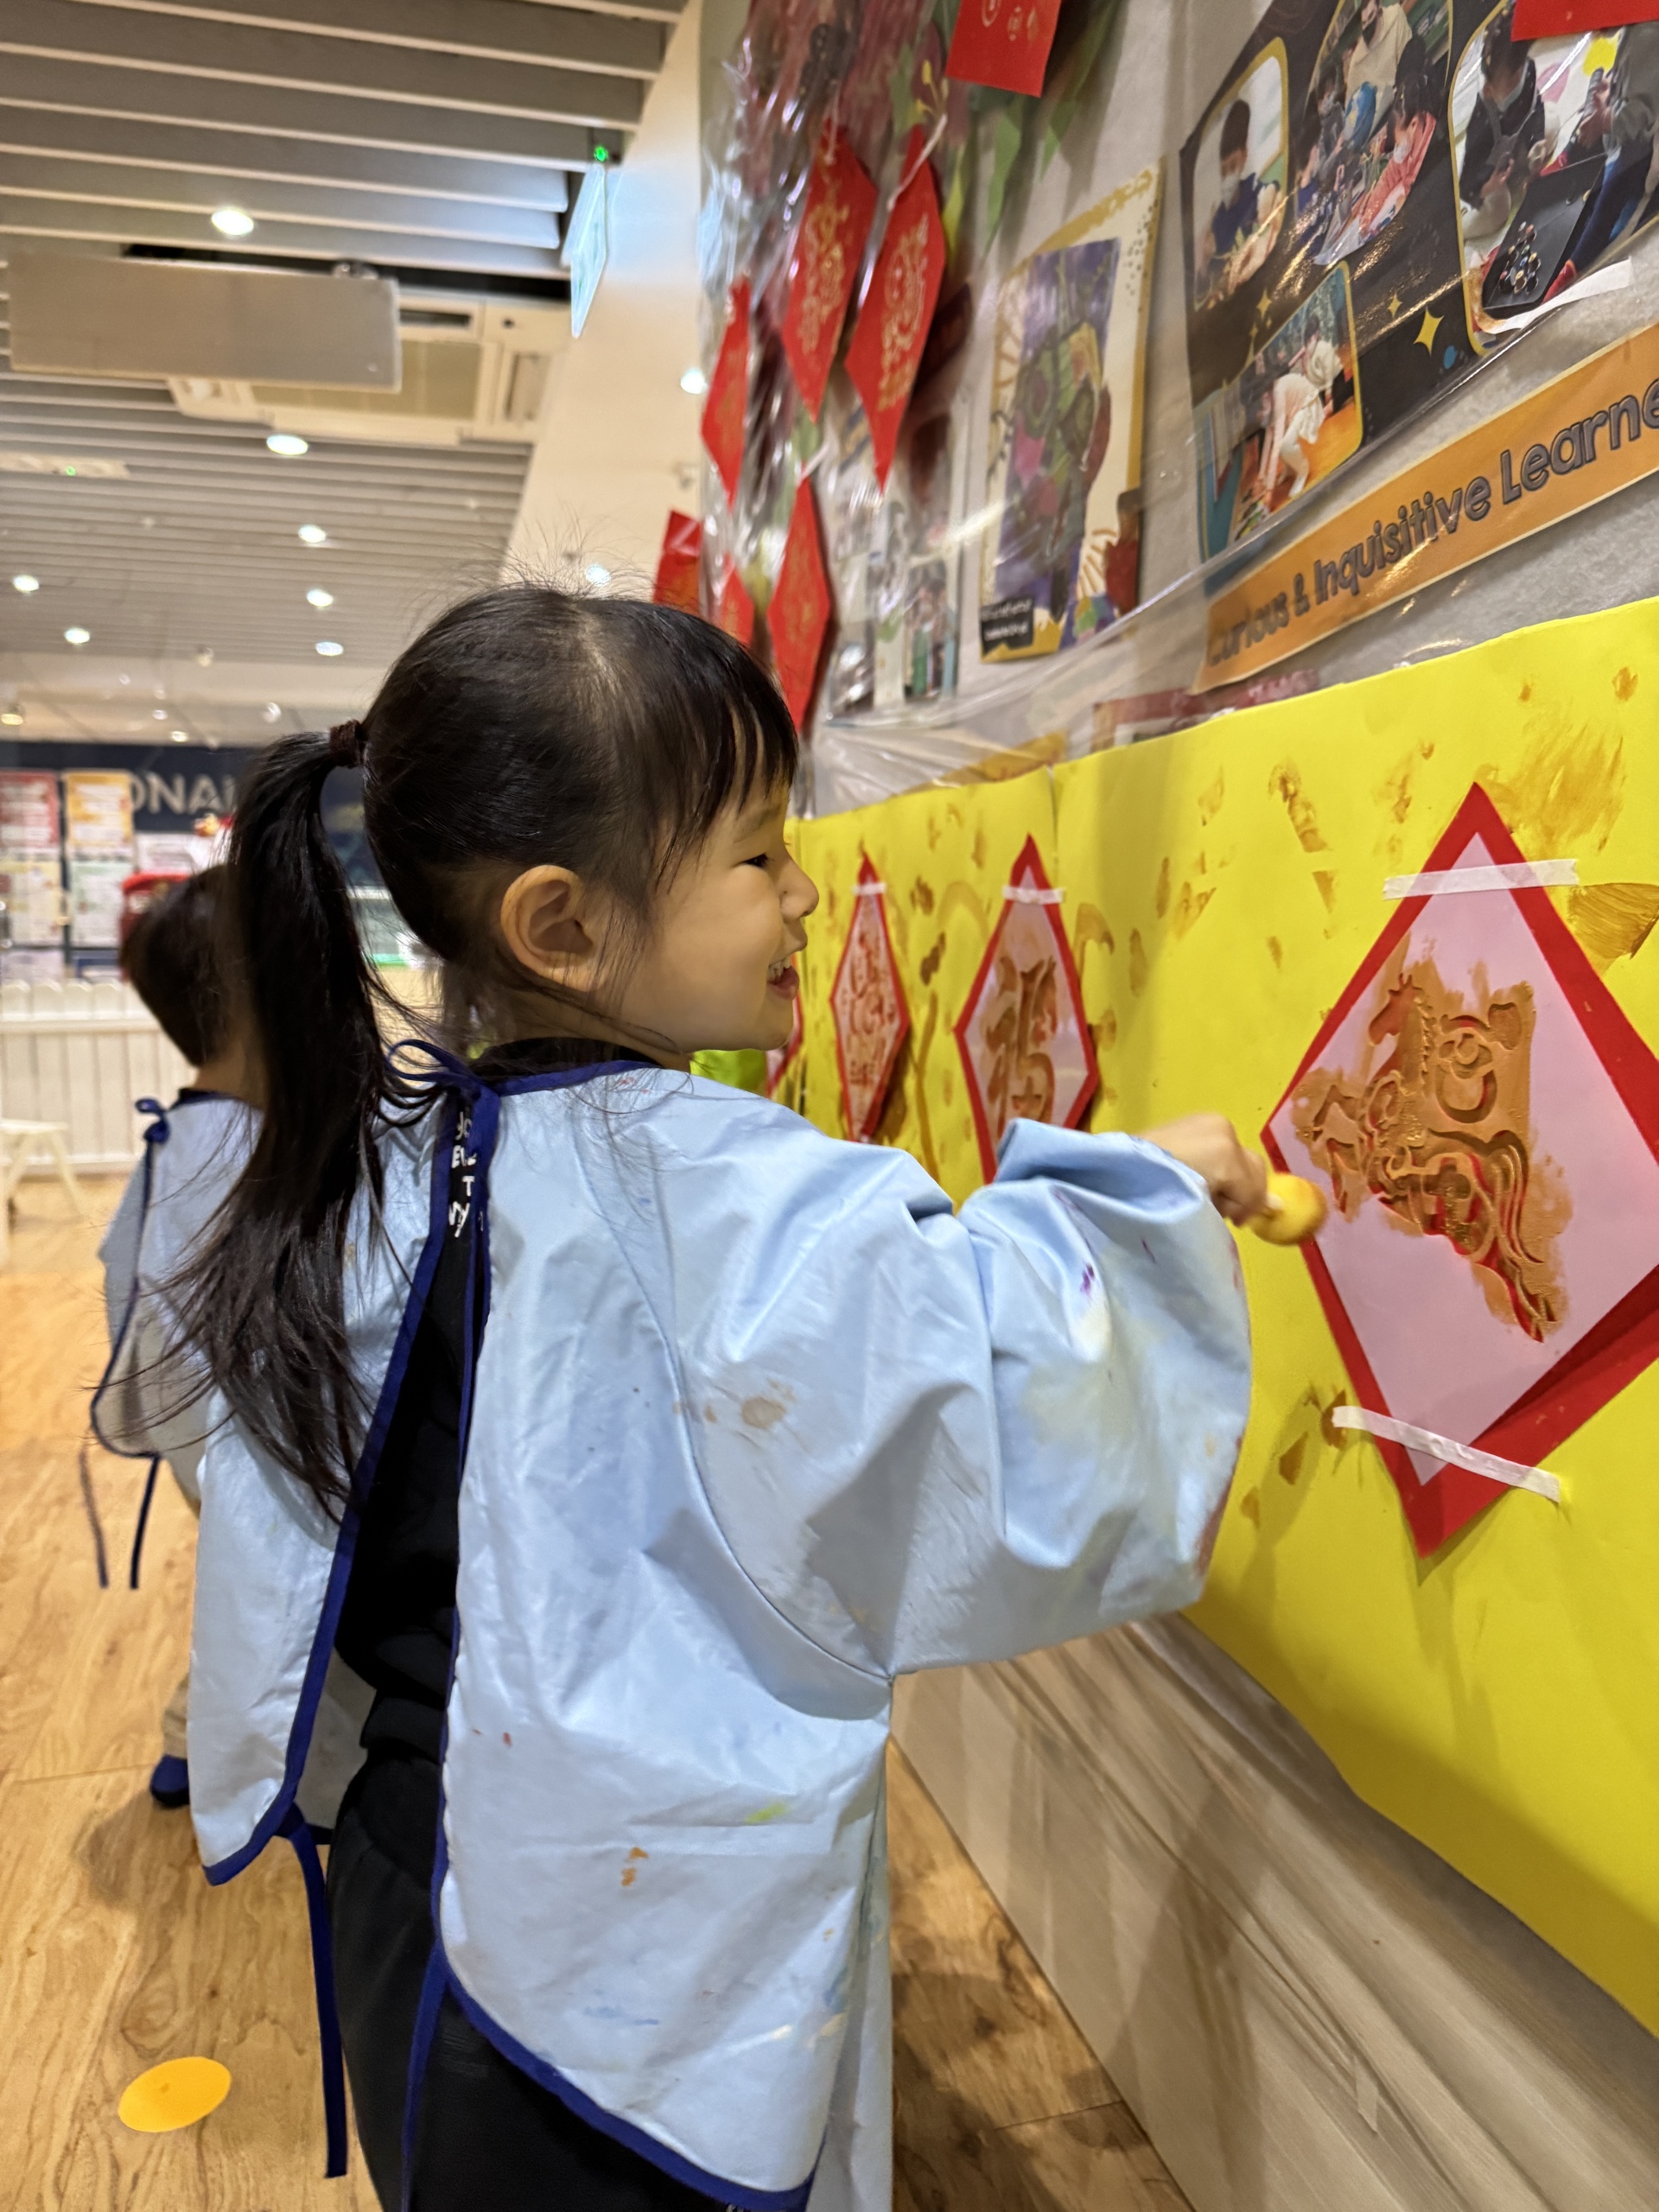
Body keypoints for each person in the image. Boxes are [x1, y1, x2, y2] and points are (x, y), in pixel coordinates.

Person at [176, 587, 1259, 2212]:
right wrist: (1140, 1203)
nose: (806, 895)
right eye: (759, 856)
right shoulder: (726, 1196)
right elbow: (988, 1384)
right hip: (619, 1957)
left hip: (411, 1877)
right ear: (561, 926)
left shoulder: (373, 1156)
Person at [93, 866, 257, 1808]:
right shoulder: (256, 1161)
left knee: (236, 1583)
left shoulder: (174, 1146)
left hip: (192, 1439)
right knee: (266, 1594)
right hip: (259, 1448)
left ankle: (192, 1738)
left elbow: (121, 1287)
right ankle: (224, 1746)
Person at [1546, 22, 1659, 298]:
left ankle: (1574, 266)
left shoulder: (1647, 35)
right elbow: (1629, 82)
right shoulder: (1634, 30)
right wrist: (1608, 95)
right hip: (1624, 127)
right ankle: (1568, 162)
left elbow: (1640, 115)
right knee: (1589, 124)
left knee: (1612, 187)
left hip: (1645, 145)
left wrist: (1605, 120)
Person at [1459, 8, 1547, 244]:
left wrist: (1537, 142)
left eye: (1520, 76)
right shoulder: (1482, 120)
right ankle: (1462, 228)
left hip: (1519, 151)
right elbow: (1466, 184)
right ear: (1488, 90)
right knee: (1499, 210)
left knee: (1553, 122)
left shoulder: (1527, 71)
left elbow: (1537, 106)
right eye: (1510, 86)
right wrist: (1486, 188)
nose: (1519, 88)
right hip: (1493, 176)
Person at [1260, 334, 1344, 504]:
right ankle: (1290, 469)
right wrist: (1261, 476)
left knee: (1284, 445)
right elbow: (1269, 436)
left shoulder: (1277, 394)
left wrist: (1269, 490)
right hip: (1295, 408)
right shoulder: (1268, 400)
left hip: (1308, 405)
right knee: (1279, 439)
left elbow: (1276, 441)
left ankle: (1302, 469)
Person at [1342, 0, 1412, 150]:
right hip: (1380, 123)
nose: (1368, 25)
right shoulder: (1356, 62)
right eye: (1364, 23)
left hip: (1406, 95)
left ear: (1379, 7)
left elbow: (1409, 57)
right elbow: (1350, 112)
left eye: (1371, 16)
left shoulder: (1395, 17)